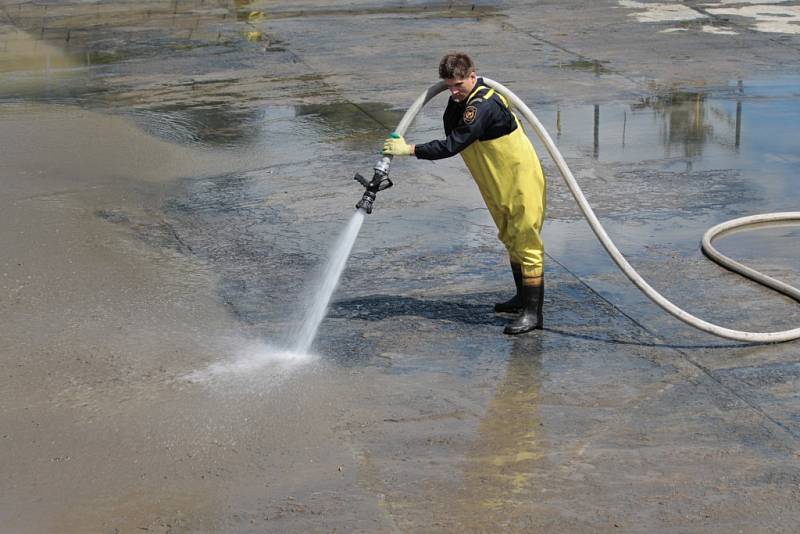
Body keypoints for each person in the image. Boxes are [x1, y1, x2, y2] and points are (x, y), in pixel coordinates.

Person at [382, 52, 546, 335]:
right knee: (510, 237)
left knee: (527, 242)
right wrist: (455, 98)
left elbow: (452, 144)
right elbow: (451, 128)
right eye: (449, 85)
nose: (454, 90)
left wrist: (410, 149)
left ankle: (533, 315)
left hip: (521, 182)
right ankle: (521, 298)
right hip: (497, 182)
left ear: (473, 75)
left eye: (459, 84)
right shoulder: (460, 100)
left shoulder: (483, 105)